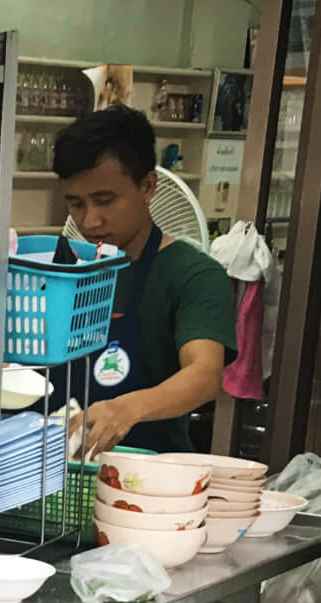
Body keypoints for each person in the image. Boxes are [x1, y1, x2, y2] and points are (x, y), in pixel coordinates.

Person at [53, 106, 234, 455]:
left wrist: (126, 409)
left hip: (146, 480)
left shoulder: (192, 274)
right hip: (54, 474)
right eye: (76, 204)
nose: (89, 221)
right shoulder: (62, 269)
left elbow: (204, 374)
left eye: (105, 200)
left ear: (148, 186)